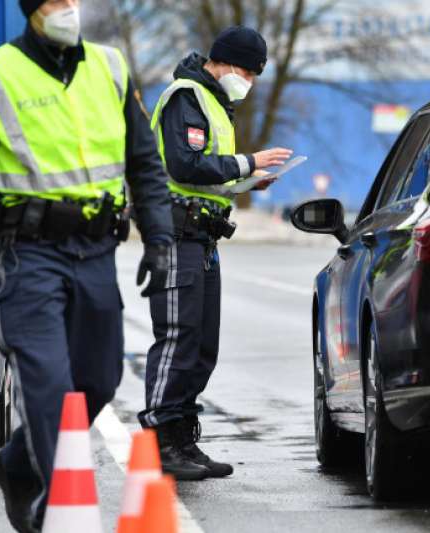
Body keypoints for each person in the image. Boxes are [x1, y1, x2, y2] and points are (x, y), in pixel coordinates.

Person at [0, 0, 174, 530]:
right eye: (56, 1)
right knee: (49, 385)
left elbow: (144, 161)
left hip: (94, 251)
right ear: (32, 9)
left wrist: (159, 238)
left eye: (73, 0)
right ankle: (52, 508)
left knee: (100, 378)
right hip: (25, 255)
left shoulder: (109, 66)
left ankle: (19, 462)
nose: (69, 10)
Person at [138, 26, 292, 480]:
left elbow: (205, 172)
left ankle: (183, 438)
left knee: (203, 346)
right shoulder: (186, 96)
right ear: (221, 61)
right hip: (175, 234)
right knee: (177, 339)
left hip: (201, 237)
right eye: (245, 69)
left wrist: (245, 182)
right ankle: (160, 440)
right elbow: (183, 164)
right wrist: (249, 162)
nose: (248, 79)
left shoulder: (214, 104)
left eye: (255, 73)